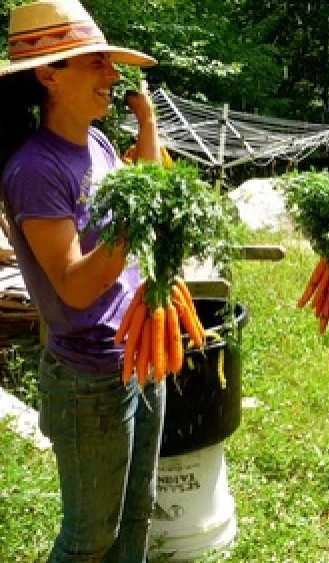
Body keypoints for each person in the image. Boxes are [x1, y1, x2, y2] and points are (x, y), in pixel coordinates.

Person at [0, 0, 164, 561]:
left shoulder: (94, 144)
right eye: (97, 63)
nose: (112, 76)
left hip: (139, 354)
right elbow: (73, 285)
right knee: (90, 538)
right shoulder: (35, 168)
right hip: (90, 378)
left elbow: (149, 186)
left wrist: (146, 125)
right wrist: (139, 219)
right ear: (50, 74)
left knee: (138, 514)